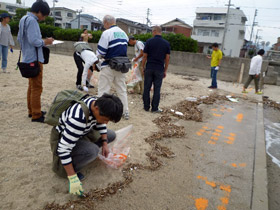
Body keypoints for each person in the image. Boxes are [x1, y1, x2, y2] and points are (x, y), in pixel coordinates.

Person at [50, 93, 123, 196]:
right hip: (63, 138)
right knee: (92, 151)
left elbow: (101, 123)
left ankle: (84, 151)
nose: (106, 123)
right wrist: (72, 177)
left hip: (83, 132)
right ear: (96, 109)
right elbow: (63, 149)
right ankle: (70, 169)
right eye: (106, 119)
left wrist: (105, 143)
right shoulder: (78, 119)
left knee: (110, 135)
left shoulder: (97, 103)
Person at [17, 0, 54, 123]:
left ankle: (31, 110)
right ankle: (36, 114)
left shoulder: (24, 19)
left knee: (31, 86)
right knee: (37, 87)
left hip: (27, 57)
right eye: (43, 15)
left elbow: (19, 38)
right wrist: (45, 42)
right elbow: (34, 41)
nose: (43, 18)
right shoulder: (32, 21)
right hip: (35, 58)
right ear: (38, 11)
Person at [96, 15, 130, 120]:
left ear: (106, 23)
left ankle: (100, 111)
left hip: (109, 65)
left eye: (103, 24)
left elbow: (101, 52)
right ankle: (125, 112)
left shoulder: (106, 33)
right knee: (121, 90)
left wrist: (96, 60)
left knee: (103, 89)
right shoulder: (124, 34)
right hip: (121, 66)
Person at [141, 26, 170, 113]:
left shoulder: (149, 42)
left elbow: (144, 56)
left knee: (146, 88)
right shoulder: (166, 43)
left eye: (152, 31)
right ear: (160, 32)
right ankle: (154, 108)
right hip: (159, 69)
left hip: (149, 67)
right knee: (157, 89)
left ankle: (146, 107)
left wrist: (143, 67)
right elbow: (167, 58)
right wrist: (165, 70)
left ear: (154, 31)